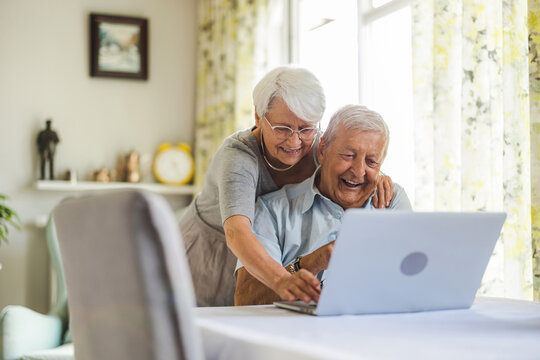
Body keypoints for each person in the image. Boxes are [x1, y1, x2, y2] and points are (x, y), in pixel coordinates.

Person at [180, 67, 394, 306]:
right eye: (282, 129)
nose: (294, 141)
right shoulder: (238, 157)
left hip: (260, 250)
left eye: (306, 128)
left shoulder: (316, 144)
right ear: (258, 117)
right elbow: (236, 231)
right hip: (213, 249)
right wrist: (283, 280)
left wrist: (375, 172)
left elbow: (346, 156)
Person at [234, 104, 412, 305]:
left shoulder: (392, 200)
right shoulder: (272, 210)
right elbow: (245, 299)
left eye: (371, 161)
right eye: (348, 156)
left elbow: (414, 282)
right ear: (322, 150)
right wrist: (312, 262)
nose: (358, 171)